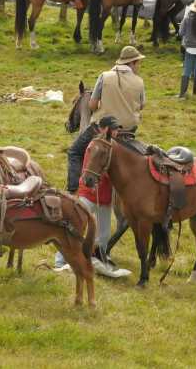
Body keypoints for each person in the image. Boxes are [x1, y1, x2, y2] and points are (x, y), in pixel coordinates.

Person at [65, 46, 145, 195]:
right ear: (132, 63)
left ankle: (73, 190)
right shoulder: (139, 82)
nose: (139, 66)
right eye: (138, 63)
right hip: (128, 132)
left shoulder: (104, 76)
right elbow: (141, 106)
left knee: (74, 152)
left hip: (102, 129)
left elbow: (92, 105)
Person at [55, 116, 127, 276]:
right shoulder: (95, 146)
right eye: (113, 129)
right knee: (75, 228)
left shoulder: (114, 147)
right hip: (89, 194)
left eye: (117, 129)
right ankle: (60, 261)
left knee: (104, 234)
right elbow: (91, 169)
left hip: (105, 198)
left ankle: (98, 258)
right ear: (104, 129)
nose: (116, 132)